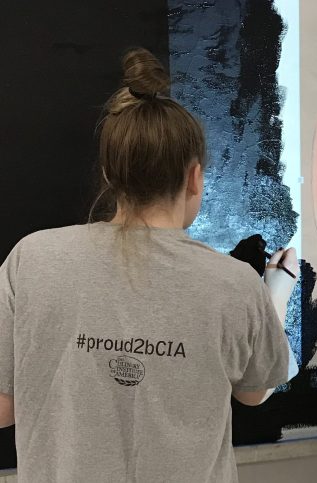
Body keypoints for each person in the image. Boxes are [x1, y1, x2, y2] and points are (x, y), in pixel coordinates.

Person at [0, 48, 299, 482]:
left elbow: (3, 407)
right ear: (195, 177)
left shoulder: (31, 259)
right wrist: (277, 293)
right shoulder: (233, 283)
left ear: (109, 173)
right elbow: (254, 392)